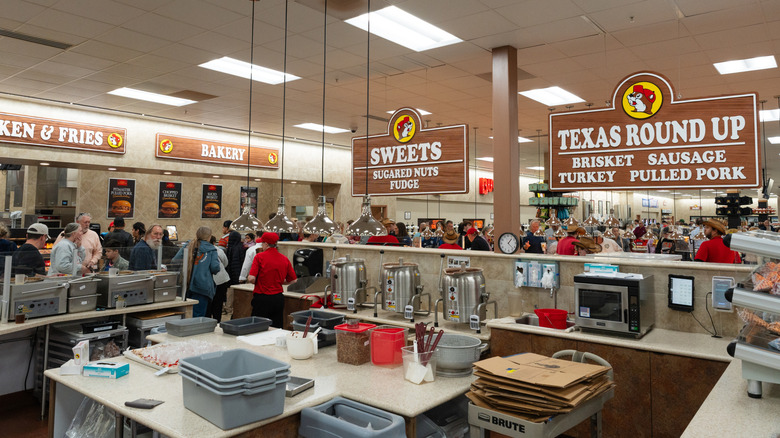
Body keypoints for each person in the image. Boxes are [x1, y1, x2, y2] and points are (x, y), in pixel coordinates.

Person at [247, 232, 296, 328]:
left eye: (262, 243)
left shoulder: (259, 257)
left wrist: (253, 280)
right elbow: (294, 280)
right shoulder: (284, 258)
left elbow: (252, 278)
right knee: (276, 327)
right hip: (278, 298)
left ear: (266, 244)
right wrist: (280, 282)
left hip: (262, 298)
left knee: (258, 327)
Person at [185, 227, 221, 317]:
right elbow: (215, 267)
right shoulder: (211, 249)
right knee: (198, 315)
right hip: (202, 287)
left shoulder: (188, 245)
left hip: (186, 285)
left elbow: (175, 260)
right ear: (209, 237)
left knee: (187, 314)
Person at [207, 235, 231, 322]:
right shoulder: (218, 250)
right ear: (214, 242)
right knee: (218, 304)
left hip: (212, 280)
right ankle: (217, 322)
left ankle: (208, 322)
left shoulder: (203, 250)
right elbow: (225, 263)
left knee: (209, 304)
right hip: (221, 279)